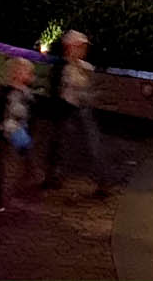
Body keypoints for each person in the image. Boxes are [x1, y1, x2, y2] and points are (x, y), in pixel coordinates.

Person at [42, 30, 109, 197]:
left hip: (82, 110)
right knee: (59, 144)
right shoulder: (60, 68)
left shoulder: (86, 67)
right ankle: (52, 175)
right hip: (65, 110)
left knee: (92, 145)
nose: (83, 50)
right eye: (80, 47)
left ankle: (101, 181)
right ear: (70, 47)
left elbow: (91, 89)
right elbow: (54, 90)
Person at [0, 58, 36, 213]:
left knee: (25, 157)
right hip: (2, 133)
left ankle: (24, 182)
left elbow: (28, 113)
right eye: (26, 72)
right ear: (16, 73)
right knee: (0, 165)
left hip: (18, 132)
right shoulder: (2, 92)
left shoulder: (26, 93)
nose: (29, 75)